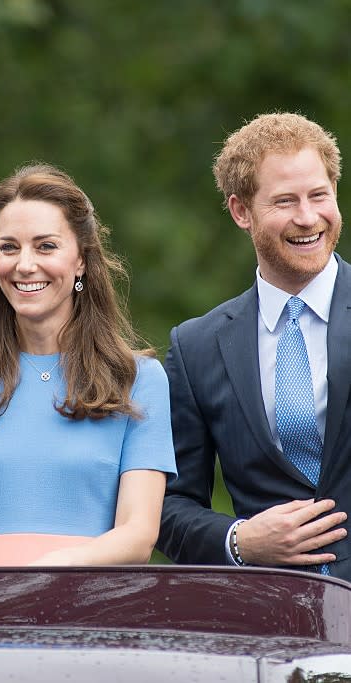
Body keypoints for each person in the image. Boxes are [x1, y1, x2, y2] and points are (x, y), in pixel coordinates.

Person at [0, 163, 176, 567]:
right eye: (10, 246)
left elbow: (138, 535)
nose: (25, 264)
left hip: (91, 614)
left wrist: (43, 577)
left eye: (46, 246)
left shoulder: (139, 380)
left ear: (82, 260)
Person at [157, 112, 351, 579]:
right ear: (241, 211)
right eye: (285, 201)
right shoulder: (195, 347)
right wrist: (239, 541)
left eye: (318, 196)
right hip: (266, 621)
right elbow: (167, 506)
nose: (308, 218)